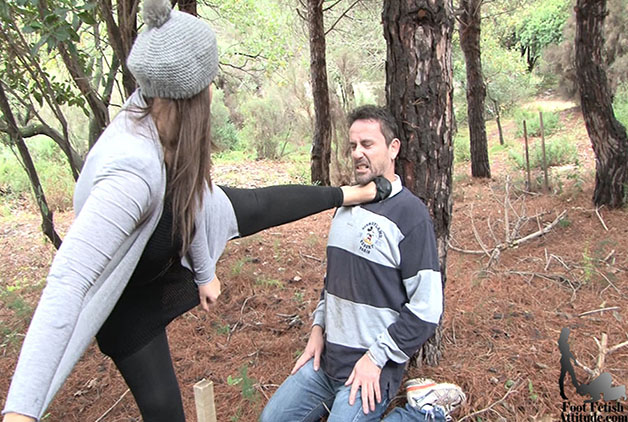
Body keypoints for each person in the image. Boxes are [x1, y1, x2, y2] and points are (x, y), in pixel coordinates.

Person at [1, 1, 391, 421]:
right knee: (165, 410)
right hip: (130, 299)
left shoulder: (159, 112)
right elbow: (69, 280)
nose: (212, 92)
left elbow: (189, 197)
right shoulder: (131, 173)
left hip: (174, 236)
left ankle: (352, 195)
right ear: (191, 94)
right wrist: (21, 411)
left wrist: (205, 273)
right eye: (209, 83)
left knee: (259, 205)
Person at [260, 105, 466, 422]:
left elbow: (427, 308)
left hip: (371, 368)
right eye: (353, 145)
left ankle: (424, 413)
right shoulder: (346, 205)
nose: (357, 153)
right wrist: (317, 329)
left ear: (393, 148)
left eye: (367, 144)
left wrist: (376, 358)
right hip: (326, 362)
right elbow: (333, 283)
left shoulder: (410, 215)